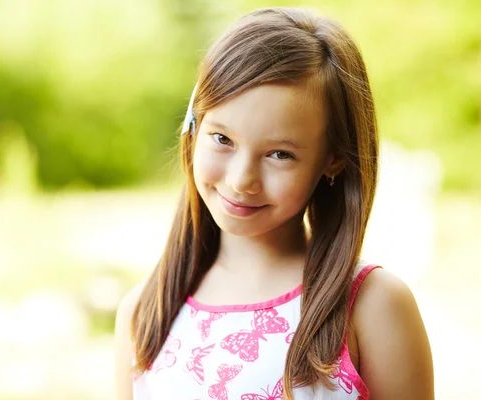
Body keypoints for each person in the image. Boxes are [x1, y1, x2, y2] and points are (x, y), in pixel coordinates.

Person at [114, 6, 434, 400]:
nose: (241, 180)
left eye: (279, 154)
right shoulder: (145, 314)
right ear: (194, 128)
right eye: (222, 139)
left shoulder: (373, 307)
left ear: (333, 158)